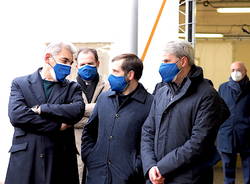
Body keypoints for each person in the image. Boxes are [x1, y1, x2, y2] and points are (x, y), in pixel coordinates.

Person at [141, 40, 230, 184]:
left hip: (189, 177)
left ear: (183, 61)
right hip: (156, 176)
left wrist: (161, 168)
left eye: (166, 61)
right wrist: (151, 166)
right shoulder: (162, 92)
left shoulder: (207, 95)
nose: (162, 66)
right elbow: (147, 131)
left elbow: (198, 142)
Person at [5, 41, 85, 184]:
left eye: (71, 63)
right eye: (64, 60)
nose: (68, 67)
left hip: (60, 161)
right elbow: (17, 115)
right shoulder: (20, 83)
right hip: (26, 161)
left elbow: (76, 111)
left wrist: (43, 109)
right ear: (48, 58)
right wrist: (56, 126)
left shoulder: (73, 87)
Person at [81, 53, 153, 184]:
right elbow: (89, 131)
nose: (110, 77)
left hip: (128, 179)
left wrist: (135, 167)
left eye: (115, 71)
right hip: (97, 176)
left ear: (130, 75)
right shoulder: (104, 99)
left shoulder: (150, 104)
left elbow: (151, 142)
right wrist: (91, 157)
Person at [74, 48, 109, 183]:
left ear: (98, 64)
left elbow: (109, 115)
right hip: (75, 147)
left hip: (101, 146)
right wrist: (97, 113)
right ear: (77, 66)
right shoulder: (68, 87)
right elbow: (67, 117)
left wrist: (77, 112)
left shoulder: (109, 86)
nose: (86, 67)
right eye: (82, 65)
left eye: (90, 64)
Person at [217, 61, 250, 184]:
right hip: (227, 134)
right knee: (228, 169)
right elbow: (218, 110)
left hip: (247, 135)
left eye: (239, 70)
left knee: (248, 169)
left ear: (245, 71)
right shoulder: (223, 88)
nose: (236, 73)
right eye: (233, 70)